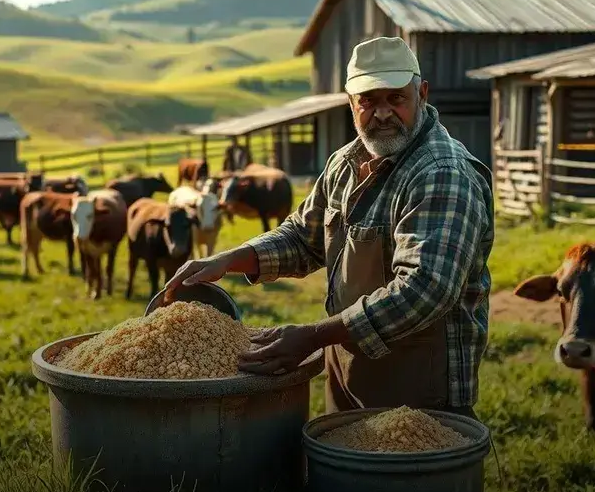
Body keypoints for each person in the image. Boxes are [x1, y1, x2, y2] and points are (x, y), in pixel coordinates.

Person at [162, 36, 495, 419]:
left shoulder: (441, 173)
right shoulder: (345, 162)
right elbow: (304, 238)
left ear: (421, 93)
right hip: (347, 371)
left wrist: (314, 336)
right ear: (351, 103)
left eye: (395, 99)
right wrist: (236, 257)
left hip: (420, 390)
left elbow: (426, 290)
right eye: (368, 101)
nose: (382, 114)